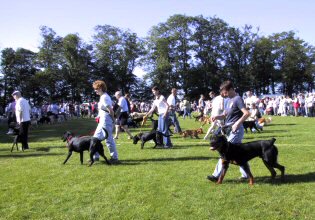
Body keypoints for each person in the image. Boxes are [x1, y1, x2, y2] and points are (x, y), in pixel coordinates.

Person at [207, 81, 250, 182]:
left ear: (231, 89)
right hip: (228, 130)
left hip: (236, 130)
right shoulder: (228, 100)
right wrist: (217, 116)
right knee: (239, 154)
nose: (224, 94)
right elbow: (225, 115)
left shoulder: (237, 99)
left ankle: (216, 175)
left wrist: (237, 123)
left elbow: (247, 113)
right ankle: (246, 175)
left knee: (225, 152)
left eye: (225, 92)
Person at [92, 80, 119, 164]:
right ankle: (95, 156)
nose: (95, 90)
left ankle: (114, 157)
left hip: (106, 120)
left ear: (100, 88)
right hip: (103, 120)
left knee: (108, 139)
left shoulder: (104, 97)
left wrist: (113, 120)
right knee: (95, 138)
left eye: (96, 89)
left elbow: (110, 110)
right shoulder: (103, 97)